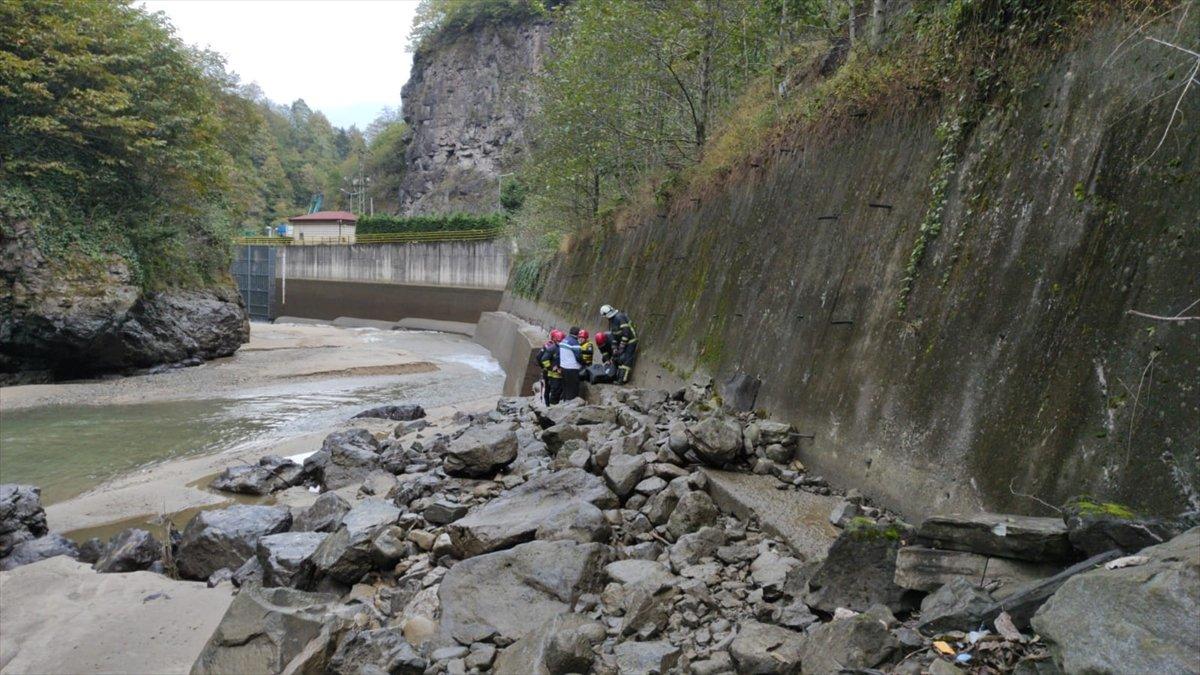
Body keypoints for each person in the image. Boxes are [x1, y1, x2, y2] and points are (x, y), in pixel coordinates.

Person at [600, 304, 638, 384]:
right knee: (619, 358)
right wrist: (614, 348)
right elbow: (614, 335)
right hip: (623, 341)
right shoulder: (612, 321)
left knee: (626, 361)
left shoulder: (619, 318)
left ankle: (622, 380)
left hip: (630, 341)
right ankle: (617, 377)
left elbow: (626, 333)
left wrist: (621, 346)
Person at [537, 329, 564, 405]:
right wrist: (547, 367)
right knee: (550, 389)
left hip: (550, 371)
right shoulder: (550, 347)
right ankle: (548, 405)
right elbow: (540, 358)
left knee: (549, 389)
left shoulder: (551, 346)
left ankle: (548, 405)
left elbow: (539, 358)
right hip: (550, 371)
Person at [559, 327, 584, 401]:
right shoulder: (574, 343)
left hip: (563, 367)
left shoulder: (564, 340)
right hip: (572, 368)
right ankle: (571, 405)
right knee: (573, 388)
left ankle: (565, 401)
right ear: (577, 334)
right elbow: (579, 357)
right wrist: (584, 364)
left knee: (565, 387)